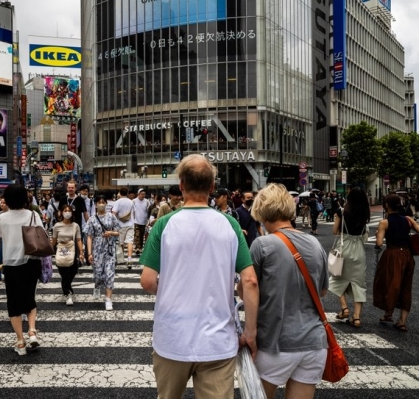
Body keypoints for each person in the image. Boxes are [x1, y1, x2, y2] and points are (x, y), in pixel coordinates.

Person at [139, 154, 259, 399]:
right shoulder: (230, 225)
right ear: (212, 187)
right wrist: (250, 332)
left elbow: (148, 281)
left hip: (172, 338)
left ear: (181, 185)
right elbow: (250, 281)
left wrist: (173, 287)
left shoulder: (163, 225)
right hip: (218, 342)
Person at [248, 183, 328, 399]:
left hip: (275, 342)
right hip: (314, 343)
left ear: (262, 211)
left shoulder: (262, 244)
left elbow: (250, 289)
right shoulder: (314, 243)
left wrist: (249, 332)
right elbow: (322, 292)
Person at [0, 185, 42, 356]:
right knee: (30, 296)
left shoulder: (2, 218)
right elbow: (41, 236)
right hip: (32, 261)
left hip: (11, 265)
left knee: (14, 302)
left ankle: (20, 342)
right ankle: (32, 331)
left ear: (7, 199)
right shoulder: (33, 215)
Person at [374, 194, 419, 332]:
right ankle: (402, 321)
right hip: (407, 255)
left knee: (390, 284)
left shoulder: (384, 223)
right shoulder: (408, 219)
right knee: (406, 286)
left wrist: (377, 235)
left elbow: (380, 243)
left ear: (386, 206)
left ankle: (388, 314)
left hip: (393, 255)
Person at [330, 187, 371, 328]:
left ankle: (344, 308)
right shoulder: (364, 213)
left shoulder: (342, 212)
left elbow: (335, 231)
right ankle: (357, 317)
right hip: (359, 251)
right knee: (359, 283)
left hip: (345, 248)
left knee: (337, 278)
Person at [84, 195, 120, 311]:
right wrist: (89, 253)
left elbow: (118, 232)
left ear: (106, 204)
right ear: (95, 204)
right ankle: (97, 285)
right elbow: (89, 236)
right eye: (99, 202)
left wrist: (110, 233)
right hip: (97, 249)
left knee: (109, 274)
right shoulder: (92, 219)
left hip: (109, 249)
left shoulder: (112, 217)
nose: (101, 204)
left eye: (103, 202)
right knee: (98, 273)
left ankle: (108, 299)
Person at [51, 204, 85, 306]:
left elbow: (79, 239)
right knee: (64, 274)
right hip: (61, 250)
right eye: (65, 210)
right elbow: (54, 240)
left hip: (72, 250)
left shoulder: (75, 226)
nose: (67, 213)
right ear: (61, 212)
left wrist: (81, 252)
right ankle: (67, 293)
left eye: (69, 211)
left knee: (73, 271)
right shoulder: (57, 226)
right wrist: (49, 251)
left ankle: (67, 287)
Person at [112, 187, 135, 267]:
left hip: (120, 224)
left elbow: (114, 214)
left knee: (120, 242)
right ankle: (129, 259)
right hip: (130, 224)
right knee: (130, 241)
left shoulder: (117, 202)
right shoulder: (131, 202)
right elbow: (134, 213)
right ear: (127, 193)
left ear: (120, 193)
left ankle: (121, 258)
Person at [132, 188, 150, 254]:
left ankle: (140, 247)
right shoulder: (134, 201)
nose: (143, 195)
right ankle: (137, 248)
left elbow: (148, 211)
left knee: (142, 235)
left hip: (144, 221)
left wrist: (148, 220)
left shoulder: (147, 201)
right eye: (142, 194)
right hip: (136, 221)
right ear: (138, 194)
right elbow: (132, 211)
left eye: (144, 194)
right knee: (137, 235)